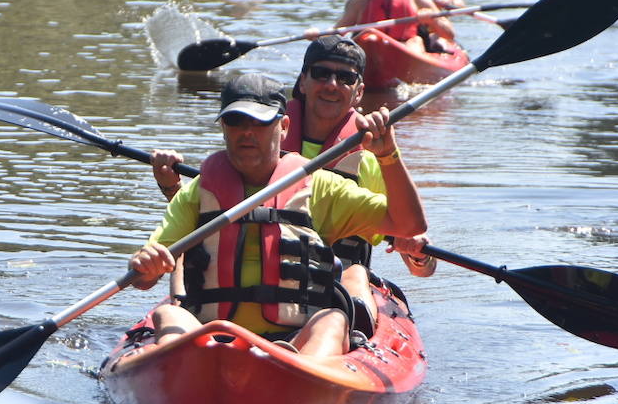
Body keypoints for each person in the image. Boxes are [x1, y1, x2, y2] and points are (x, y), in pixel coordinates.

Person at [130, 73, 428, 357]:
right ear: (223, 127)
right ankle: (187, 367)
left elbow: (408, 224)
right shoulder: (196, 192)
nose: (246, 132)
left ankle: (297, 371)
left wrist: (387, 155)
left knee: (333, 321)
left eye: (259, 122)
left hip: (294, 341)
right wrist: (146, 264)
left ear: (283, 126)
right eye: (235, 121)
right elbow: (143, 279)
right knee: (167, 312)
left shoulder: (319, 187)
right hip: (210, 338)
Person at [151, 37, 437, 282]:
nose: (332, 85)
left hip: (332, 284)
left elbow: (411, 236)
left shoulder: (370, 158)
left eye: (345, 78)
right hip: (255, 270)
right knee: (182, 270)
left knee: (357, 277)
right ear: (303, 81)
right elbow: (215, 215)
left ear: (359, 92)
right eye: (321, 74)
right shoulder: (258, 136)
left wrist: (418, 256)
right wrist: (172, 189)